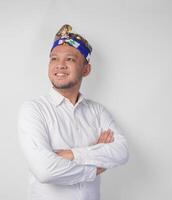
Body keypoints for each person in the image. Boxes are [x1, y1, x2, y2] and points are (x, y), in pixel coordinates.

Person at [18, 24, 129, 200]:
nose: (59, 65)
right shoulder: (34, 109)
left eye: (69, 59)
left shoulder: (98, 112)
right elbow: (45, 170)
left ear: (86, 69)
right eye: (54, 59)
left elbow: (122, 152)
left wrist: (71, 155)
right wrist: (96, 166)